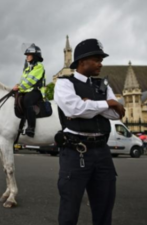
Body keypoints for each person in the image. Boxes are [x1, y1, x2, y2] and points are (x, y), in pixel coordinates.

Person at [54, 38, 125, 225]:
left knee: (104, 207)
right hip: (76, 152)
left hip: (102, 152)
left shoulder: (103, 85)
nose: (100, 64)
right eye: (96, 59)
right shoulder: (64, 83)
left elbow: (116, 115)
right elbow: (74, 109)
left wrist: (90, 105)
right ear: (81, 61)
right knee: (70, 208)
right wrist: (108, 103)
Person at [13, 43, 45, 137]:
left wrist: (19, 87)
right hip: (27, 90)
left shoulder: (39, 66)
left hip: (36, 91)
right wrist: (18, 85)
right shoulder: (27, 68)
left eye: (29, 55)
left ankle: (31, 127)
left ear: (35, 56)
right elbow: (23, 80)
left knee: (27, 100)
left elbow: (30, 81)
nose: (27, 57)